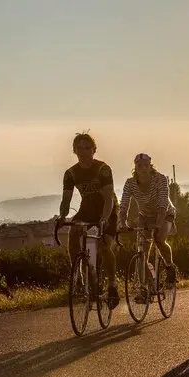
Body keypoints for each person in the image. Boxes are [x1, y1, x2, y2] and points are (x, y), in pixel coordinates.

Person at [58, 131, 120, 309]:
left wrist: (104, 219)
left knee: (105, 245)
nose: (83, 152)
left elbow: (108, 198)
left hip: (107, 209)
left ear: (94, 150)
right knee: (73, 234)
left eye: (87, 148)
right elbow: (66, 199)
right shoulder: (70, 174)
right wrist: (62, 216)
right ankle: (79, 277)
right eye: (79, 149)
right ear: (74, 151)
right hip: (87, 209)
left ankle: (112, 284)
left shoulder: (103, 169)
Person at [118, 153, 179, 286]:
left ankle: (170, 267)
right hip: (145, 216)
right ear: (135, 168)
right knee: (141, 251)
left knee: (159, 239)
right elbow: (124, 205)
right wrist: (123, 223)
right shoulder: (130, 183)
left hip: (165, 214)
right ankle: (146, 287)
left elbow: (163, 203)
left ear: (150, 166)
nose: (143, 168)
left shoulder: (160, 179)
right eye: (139, 166)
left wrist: (158, 225)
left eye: (146, 165)